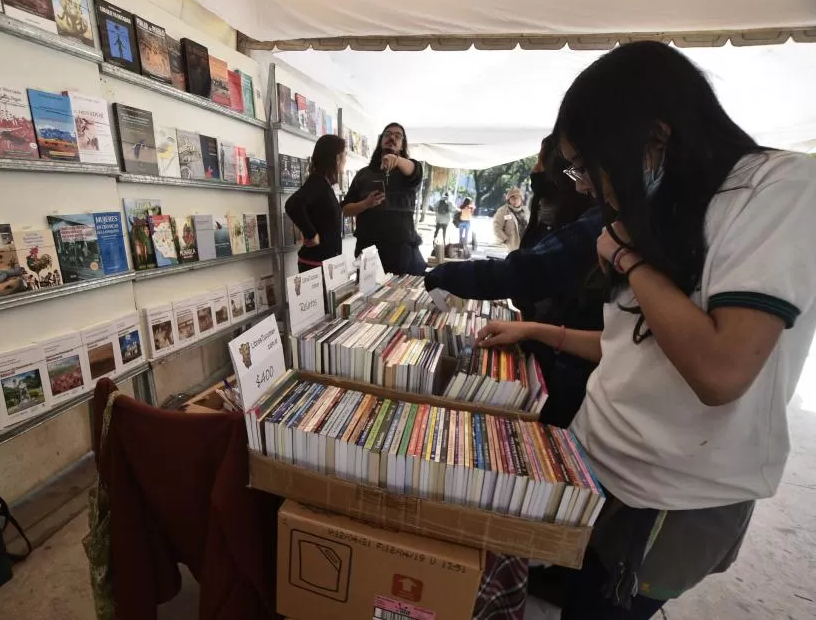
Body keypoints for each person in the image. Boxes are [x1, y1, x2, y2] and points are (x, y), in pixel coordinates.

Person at [478, 41, 816, 618]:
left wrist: (629, 260)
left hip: (668, 492)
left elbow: (719, 370)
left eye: (586, 165)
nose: (582, 184)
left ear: (655, 139)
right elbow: (631, 347)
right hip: (596, 460)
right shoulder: (666, 205)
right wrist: (536, 330)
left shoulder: (778, 188)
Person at [425, 134, 603, 428]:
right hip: (561, 350)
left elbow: (524, 271)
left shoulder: (598, 225)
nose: (534, 171)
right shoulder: (564, 211)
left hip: (573, 372)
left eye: (540, 163)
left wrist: (446, 274)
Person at [342, 123, 426, 275]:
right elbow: (345, 210)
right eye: (388, 134)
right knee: (367, 297)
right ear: (381, 140)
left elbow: (414, 169)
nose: (392, 137)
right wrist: (365, 204)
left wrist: (396, 159)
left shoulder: (409, 171)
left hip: (402, 253)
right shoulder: (363, 175)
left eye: (398, 136)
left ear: (402, 145)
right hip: (368, 252)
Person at [284, 134, 347, 273]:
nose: (346, 160)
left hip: (324, 264)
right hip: (315, 265)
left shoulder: (322, 183)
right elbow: (292, 204)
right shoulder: (317, 182)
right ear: (337, 158)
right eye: (345, 155)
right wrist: (311, 233)